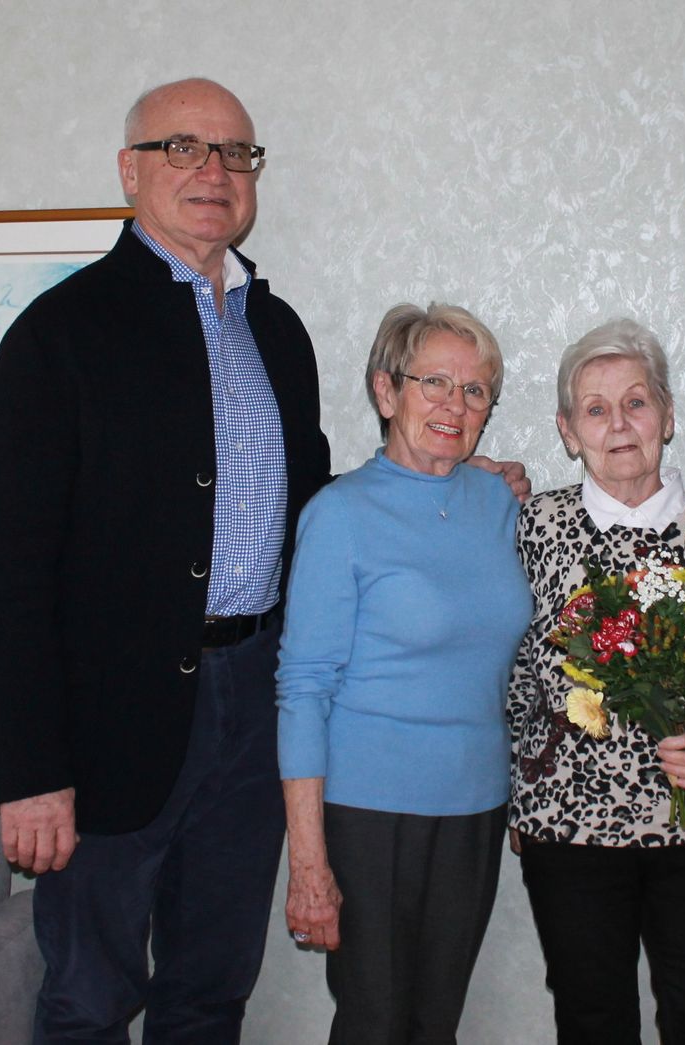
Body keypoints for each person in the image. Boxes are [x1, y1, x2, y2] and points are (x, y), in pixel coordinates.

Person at [0, 80, 527, 1042]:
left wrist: (446, 475)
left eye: (235, 154)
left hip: (252, 707)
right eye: (184, 149)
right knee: (88, 998)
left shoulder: (278, 330)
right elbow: (1, 567)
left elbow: (310, 507)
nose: (213, 172)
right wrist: (30, 770)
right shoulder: (60, 334)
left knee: (211, 990)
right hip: (107, 730)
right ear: (130, 169)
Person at [508, 318, 685, 1045]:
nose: (619, 423)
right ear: (568, 430)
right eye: (595, 409)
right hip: (570, 827)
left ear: (666, 413)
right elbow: (511, 681)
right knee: (593, 1022)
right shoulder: (531, 527)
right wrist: (523, 789)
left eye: (636, 401)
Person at [276, 302, 533, 1045]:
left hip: (477, 807)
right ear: (387, 392)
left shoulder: (497, 501)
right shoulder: (340, 514)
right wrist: (308, 861)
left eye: (476, 390)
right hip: (368, 813)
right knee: (375, 1023)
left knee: (435, 1024)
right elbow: (302, 689)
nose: (455, 404)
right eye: (435, 383)